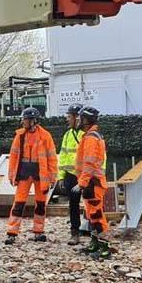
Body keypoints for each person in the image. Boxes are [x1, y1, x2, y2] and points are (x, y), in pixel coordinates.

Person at [5, 107, 58, 244]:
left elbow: (52, 158)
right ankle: (12, 232)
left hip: (40, 175)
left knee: (40, 204)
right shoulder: (20, 135)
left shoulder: (45, 136)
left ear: (33, 121)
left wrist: (53, 177)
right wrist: (11, 175)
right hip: (24, 174)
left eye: (25, 120)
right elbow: (14, 156)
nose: (23, 122)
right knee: (18, 203)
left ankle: (38, 232)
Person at [73, 106, 111, 259]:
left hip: (92, 183)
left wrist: (81, 183)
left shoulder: (90, 138)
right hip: (92, 183)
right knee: (92, 215)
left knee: (96, 215)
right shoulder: (92, 136)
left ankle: (105, 247)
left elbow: (89, 163)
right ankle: (95, 243)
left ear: (86, 120)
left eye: (80, 118)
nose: (77, 120)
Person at [56, 103, 84, 245]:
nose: (67, 119)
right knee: (73, 205)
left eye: (69, 116)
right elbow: (63, 156)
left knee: (92, 205)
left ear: (77, 117)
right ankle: (75, 232)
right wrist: (61, 177)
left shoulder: (87, 134)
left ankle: (96, 232)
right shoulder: (68, 134)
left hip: (85, 176)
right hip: (71, 176)